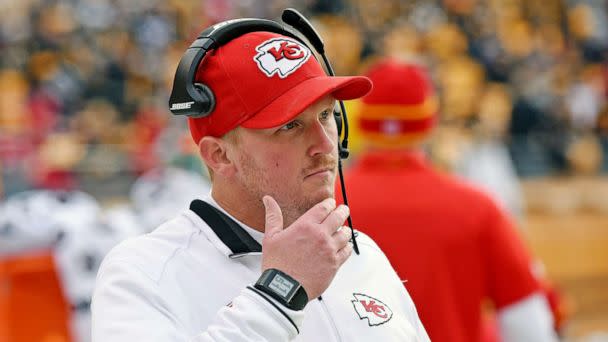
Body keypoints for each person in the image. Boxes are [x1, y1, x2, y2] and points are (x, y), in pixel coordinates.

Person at [91, 18, 430, 341]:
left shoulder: (362, 253)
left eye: (326, 115)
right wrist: (280, 292)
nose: (325, 144)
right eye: (290, 126)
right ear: (219, 156)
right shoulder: (143, 272)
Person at [339, 58, 558, 342]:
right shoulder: (476, 207)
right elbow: (529, 327)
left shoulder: (322, 204)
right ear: (429, 123)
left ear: (362, 122)